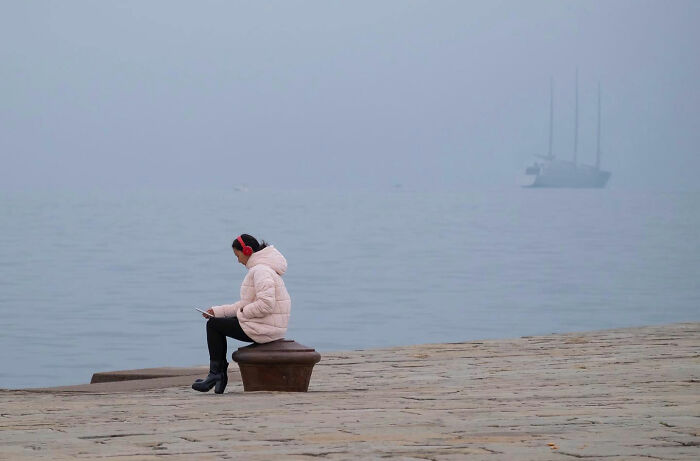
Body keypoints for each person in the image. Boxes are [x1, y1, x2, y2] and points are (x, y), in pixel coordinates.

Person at [192, 234, 291, 394]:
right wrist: (217, 312)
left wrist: (242, 313)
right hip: (267, 324)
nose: (238, 260)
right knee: (216, 321)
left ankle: (217, 374)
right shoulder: (262, 269)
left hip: (265, 328)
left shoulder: (260, 271)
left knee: (213, 326)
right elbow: (246, 304)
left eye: (237, 255)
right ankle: (217, 374)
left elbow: (265, 305)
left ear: (247, 251)